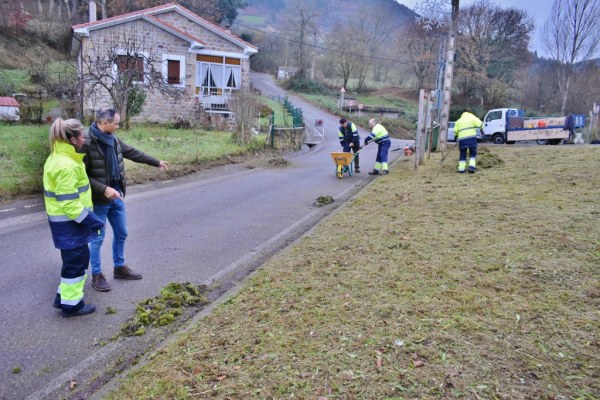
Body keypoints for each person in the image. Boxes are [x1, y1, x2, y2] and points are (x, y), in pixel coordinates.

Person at [82, 107, 169, 292]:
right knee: (97, 239)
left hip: (117, 196)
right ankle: (96, 275)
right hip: (98, 199)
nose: (118, 126)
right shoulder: (87, 141)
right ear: (104, 123)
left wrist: (156, 162)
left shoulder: (113, 139)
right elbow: (80, 176)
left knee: (122, 233)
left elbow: (132, 152)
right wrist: (104, 189)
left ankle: (119, 268)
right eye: (116, 123)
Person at [43, 118, 104, 317]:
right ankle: (72, 306)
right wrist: (93, 221)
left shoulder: (58, 158)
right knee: (77, 263)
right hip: (70, 225)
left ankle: (63, 299)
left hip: (66, 225)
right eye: (81, 135)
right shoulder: (66, 165)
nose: (83, 138)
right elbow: (69, 203)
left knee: (72, 262)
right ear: (72, 139)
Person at [453, 109, 483, 173]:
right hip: (471, 138)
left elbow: (455, 131)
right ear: (469, 112)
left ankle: (461, 169)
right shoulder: (472, 117)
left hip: (462, 140)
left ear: (463, 113)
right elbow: (481, 125)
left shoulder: (458, 121)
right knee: (472, 153)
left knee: (462, 154)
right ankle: (471, 167)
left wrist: (458, 135)